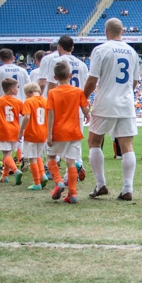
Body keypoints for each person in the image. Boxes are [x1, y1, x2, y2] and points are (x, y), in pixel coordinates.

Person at [84, 18, 140, 201]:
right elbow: (135, 81)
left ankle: (100, 184)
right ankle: (127, 188)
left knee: (94, 141)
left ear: (106, 32)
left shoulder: (100, 50)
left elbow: (92, 80)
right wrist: (124, 94)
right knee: (127, 146)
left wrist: (82, 98)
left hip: (105, 102)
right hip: (126, 104)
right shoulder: (132, 52)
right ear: (122, 32)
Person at [44, 36, 89, 178]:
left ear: (58, 47)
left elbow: (51, 84)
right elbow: (87, 86)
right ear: (73, 48)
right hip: (77, 105)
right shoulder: (82, 64)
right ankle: (77, 164)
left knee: (54, 143)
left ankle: (54, 168)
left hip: (59, 106)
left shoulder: (56, 62)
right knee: (75, 141)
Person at [47, 62, 91, 203]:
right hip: (74, 131)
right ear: (70, 76)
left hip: (58, 131)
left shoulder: (52, 93)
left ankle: (59, 181)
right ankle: (72, 194)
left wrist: (49, 134)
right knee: (71, 162)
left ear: (55, 77)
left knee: (51, 157)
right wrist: (88, 115)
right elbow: (85, 110)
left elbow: (51, 114)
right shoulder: (77, 91)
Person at [0, 48, 30, 165]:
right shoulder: (22, 71)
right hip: (21, 106)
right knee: (20, 133)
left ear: (0, 58)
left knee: (6, 136)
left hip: (4, 108)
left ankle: (9, 162)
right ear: (13, 58)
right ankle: (21, 158)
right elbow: (29, 89)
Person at [18, 82, 48, 190]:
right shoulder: (45, 101)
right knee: (39, 156)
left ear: (28, 93)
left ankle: (36, 183)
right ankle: (43, 174)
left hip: (31, 133)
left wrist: (21, 131)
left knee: (32, 159)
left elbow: (26, 116)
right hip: (43, 132)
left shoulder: (28, 101)